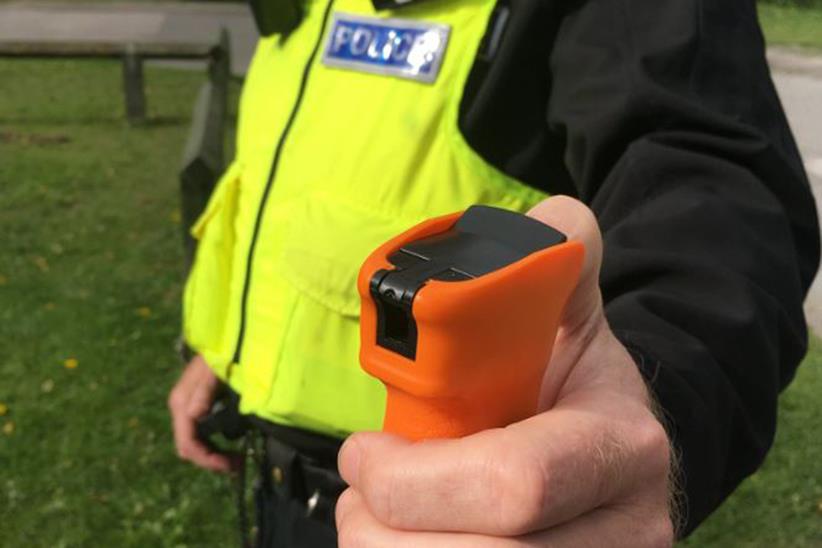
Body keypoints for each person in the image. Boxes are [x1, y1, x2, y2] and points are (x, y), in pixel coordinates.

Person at [167, 0, 821, 545]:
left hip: (453, 518)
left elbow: (710, 186)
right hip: (278, 482)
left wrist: (651, 391)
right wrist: (223, 354)